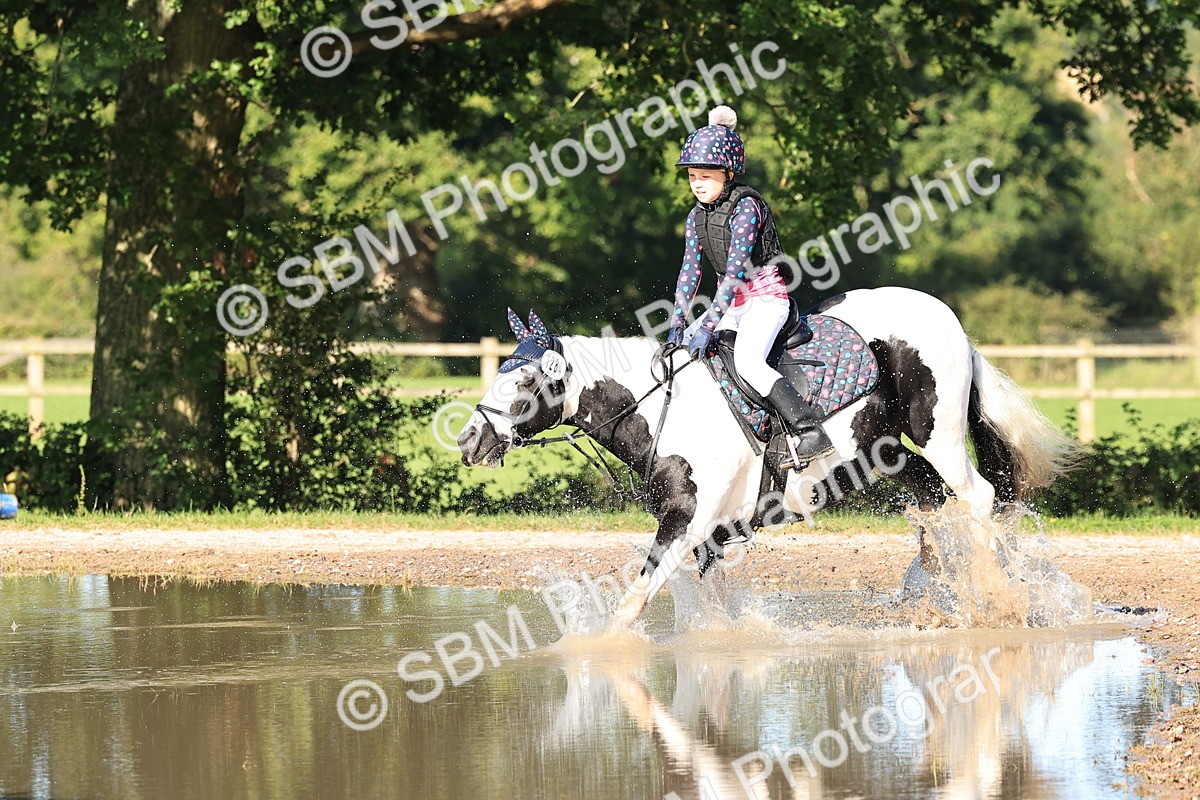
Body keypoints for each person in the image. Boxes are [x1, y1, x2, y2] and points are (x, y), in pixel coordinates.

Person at [667, 105, 834, 467]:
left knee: (748, 363)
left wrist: (707, 326)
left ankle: (810, 431)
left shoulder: (746, 208)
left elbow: (734, 273)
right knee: (681, 357)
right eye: (692, 176)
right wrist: (678, 322)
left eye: (705, 175)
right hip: (732, 305)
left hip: (765, 300)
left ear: (728, 173)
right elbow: (689, 271)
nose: (697, 183)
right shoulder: (695, 217)